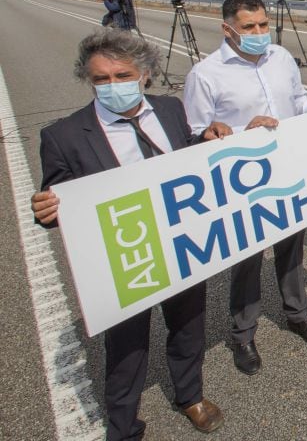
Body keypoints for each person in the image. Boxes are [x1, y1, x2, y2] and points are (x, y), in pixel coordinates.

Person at [31, 28, 225, 440]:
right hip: (126, 257)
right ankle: (123, 426)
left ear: (145, 75)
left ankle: (189, 395)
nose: (112, 86)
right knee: (126, 350)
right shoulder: (63, 136)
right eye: (100, 79)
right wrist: (47, 211)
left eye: (122, 75)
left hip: (181, 245)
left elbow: (186, 153)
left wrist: (204, 140)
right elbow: (59, 200)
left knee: (188, 326)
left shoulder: (169, 110)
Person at [184, 0, 307, 375]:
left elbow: (296, 100)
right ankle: (243, 334)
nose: (259, 33)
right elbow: (196, 136)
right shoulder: (205, 75)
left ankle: (297, 315)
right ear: (228, 29)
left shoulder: (281, 58)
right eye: (249, 27)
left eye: (263, 25)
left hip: (285, 169)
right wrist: (239, 131)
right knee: (247, 260)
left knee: (291, 248)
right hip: (240, 182)